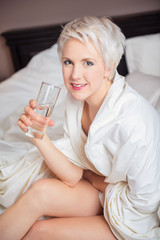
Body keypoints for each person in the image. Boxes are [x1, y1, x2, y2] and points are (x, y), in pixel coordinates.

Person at [0, 16, 160, 240]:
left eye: (88, 63)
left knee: (40, 231)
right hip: (103, 192)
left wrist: (92, 177)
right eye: (68, 62)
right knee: (39, 192)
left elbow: (146, 202)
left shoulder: (132, 121)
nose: (75, 75)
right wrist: (38, 136)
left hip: (133, 214)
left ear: (109, 66)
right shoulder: (76, 99)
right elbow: (73, 176)